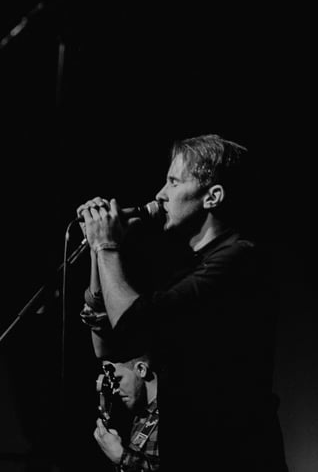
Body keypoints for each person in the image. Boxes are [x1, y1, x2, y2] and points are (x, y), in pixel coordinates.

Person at [78, 134, 287, 472]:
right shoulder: (189, 267)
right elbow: (109, 346)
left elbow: (132, 322)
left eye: (174, 182)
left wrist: (107, 247)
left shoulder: (239, 261)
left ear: (212, 196)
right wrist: (95, 250)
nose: (161, 194)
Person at [93, 355, 160, 472]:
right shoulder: (141, 416)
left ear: (141, 369)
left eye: (118, 379)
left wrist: (122, 456)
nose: (115, 390)